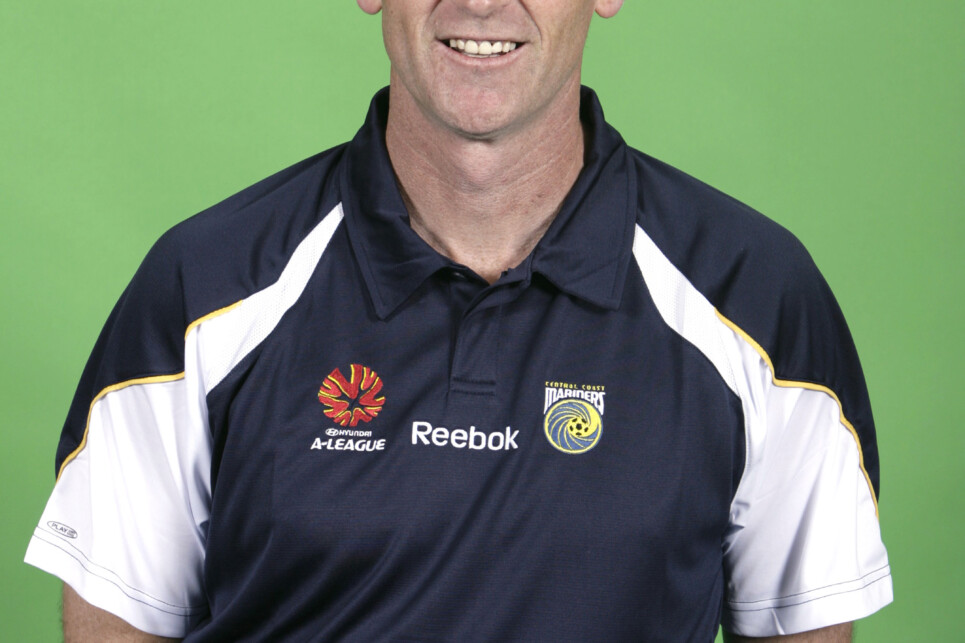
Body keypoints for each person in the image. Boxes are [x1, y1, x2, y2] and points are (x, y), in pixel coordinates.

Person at [26, 1, 892, 641]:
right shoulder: (205, 286)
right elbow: (115, 618)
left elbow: (801, 624)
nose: (480, 4)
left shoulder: (756, 297)